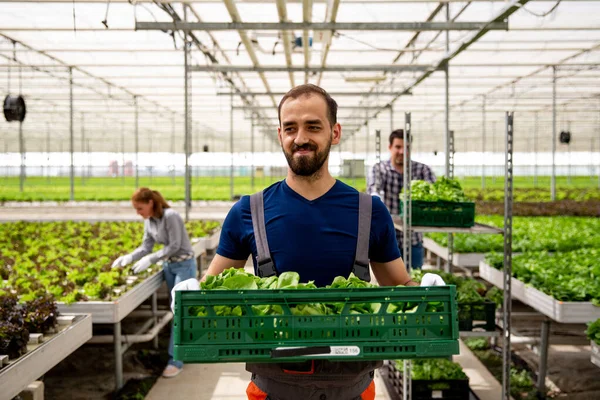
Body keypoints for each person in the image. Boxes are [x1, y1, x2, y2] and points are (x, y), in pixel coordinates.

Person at [173, 84, 444, 400]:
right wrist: (192, 295)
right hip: (272, 388)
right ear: (280, 135)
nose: (300, 137)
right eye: (290, 128)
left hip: (353, 388)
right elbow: (213, 288)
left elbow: (398, 284)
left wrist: (425, 291)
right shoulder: (248, 211)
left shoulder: (370, 211)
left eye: (313, 126)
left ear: (335, 132)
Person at [112, 187, 196, 379]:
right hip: (169, 266)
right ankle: (183, 350)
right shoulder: (150, 221)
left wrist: (151, 259)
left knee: (179, 312)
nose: (138, 213)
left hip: (184, 265)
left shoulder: (171, 216)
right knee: (175, 309)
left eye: (140, 208)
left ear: (150, 203)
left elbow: (175, 245)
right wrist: (130, 257)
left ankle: (175, 360)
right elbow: (146, 246)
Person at [367, 130, 436, 270]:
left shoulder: (422, 170)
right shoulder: (379, 169)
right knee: (388, 287)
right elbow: (374, 191)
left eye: (407, 148)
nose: (402, 151)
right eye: (398, 147)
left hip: (413, 238)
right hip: (386, 239)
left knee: (414, 281)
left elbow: (434, 195)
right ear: (390, 147)